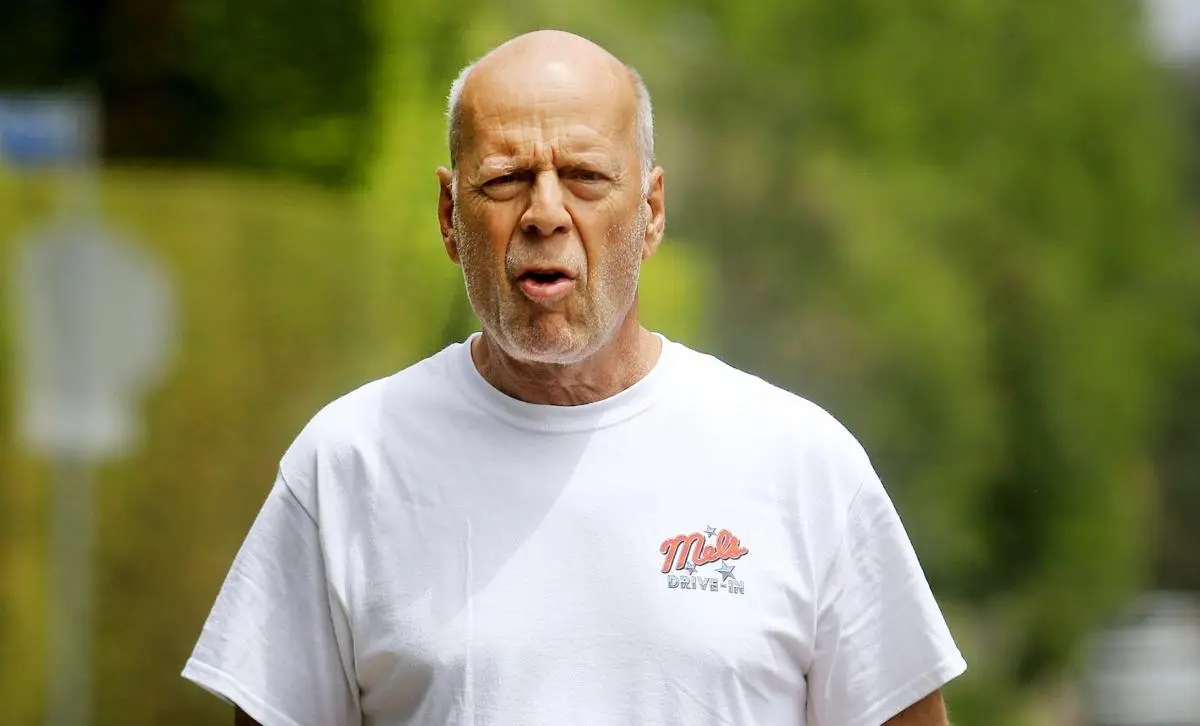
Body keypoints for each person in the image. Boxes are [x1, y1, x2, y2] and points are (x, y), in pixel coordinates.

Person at [182, 29, 967, 726]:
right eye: (505, 179)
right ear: (450, 217)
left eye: (587, 176)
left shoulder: (801, 464)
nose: (546, 213)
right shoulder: (347, 464)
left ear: (651, 211)